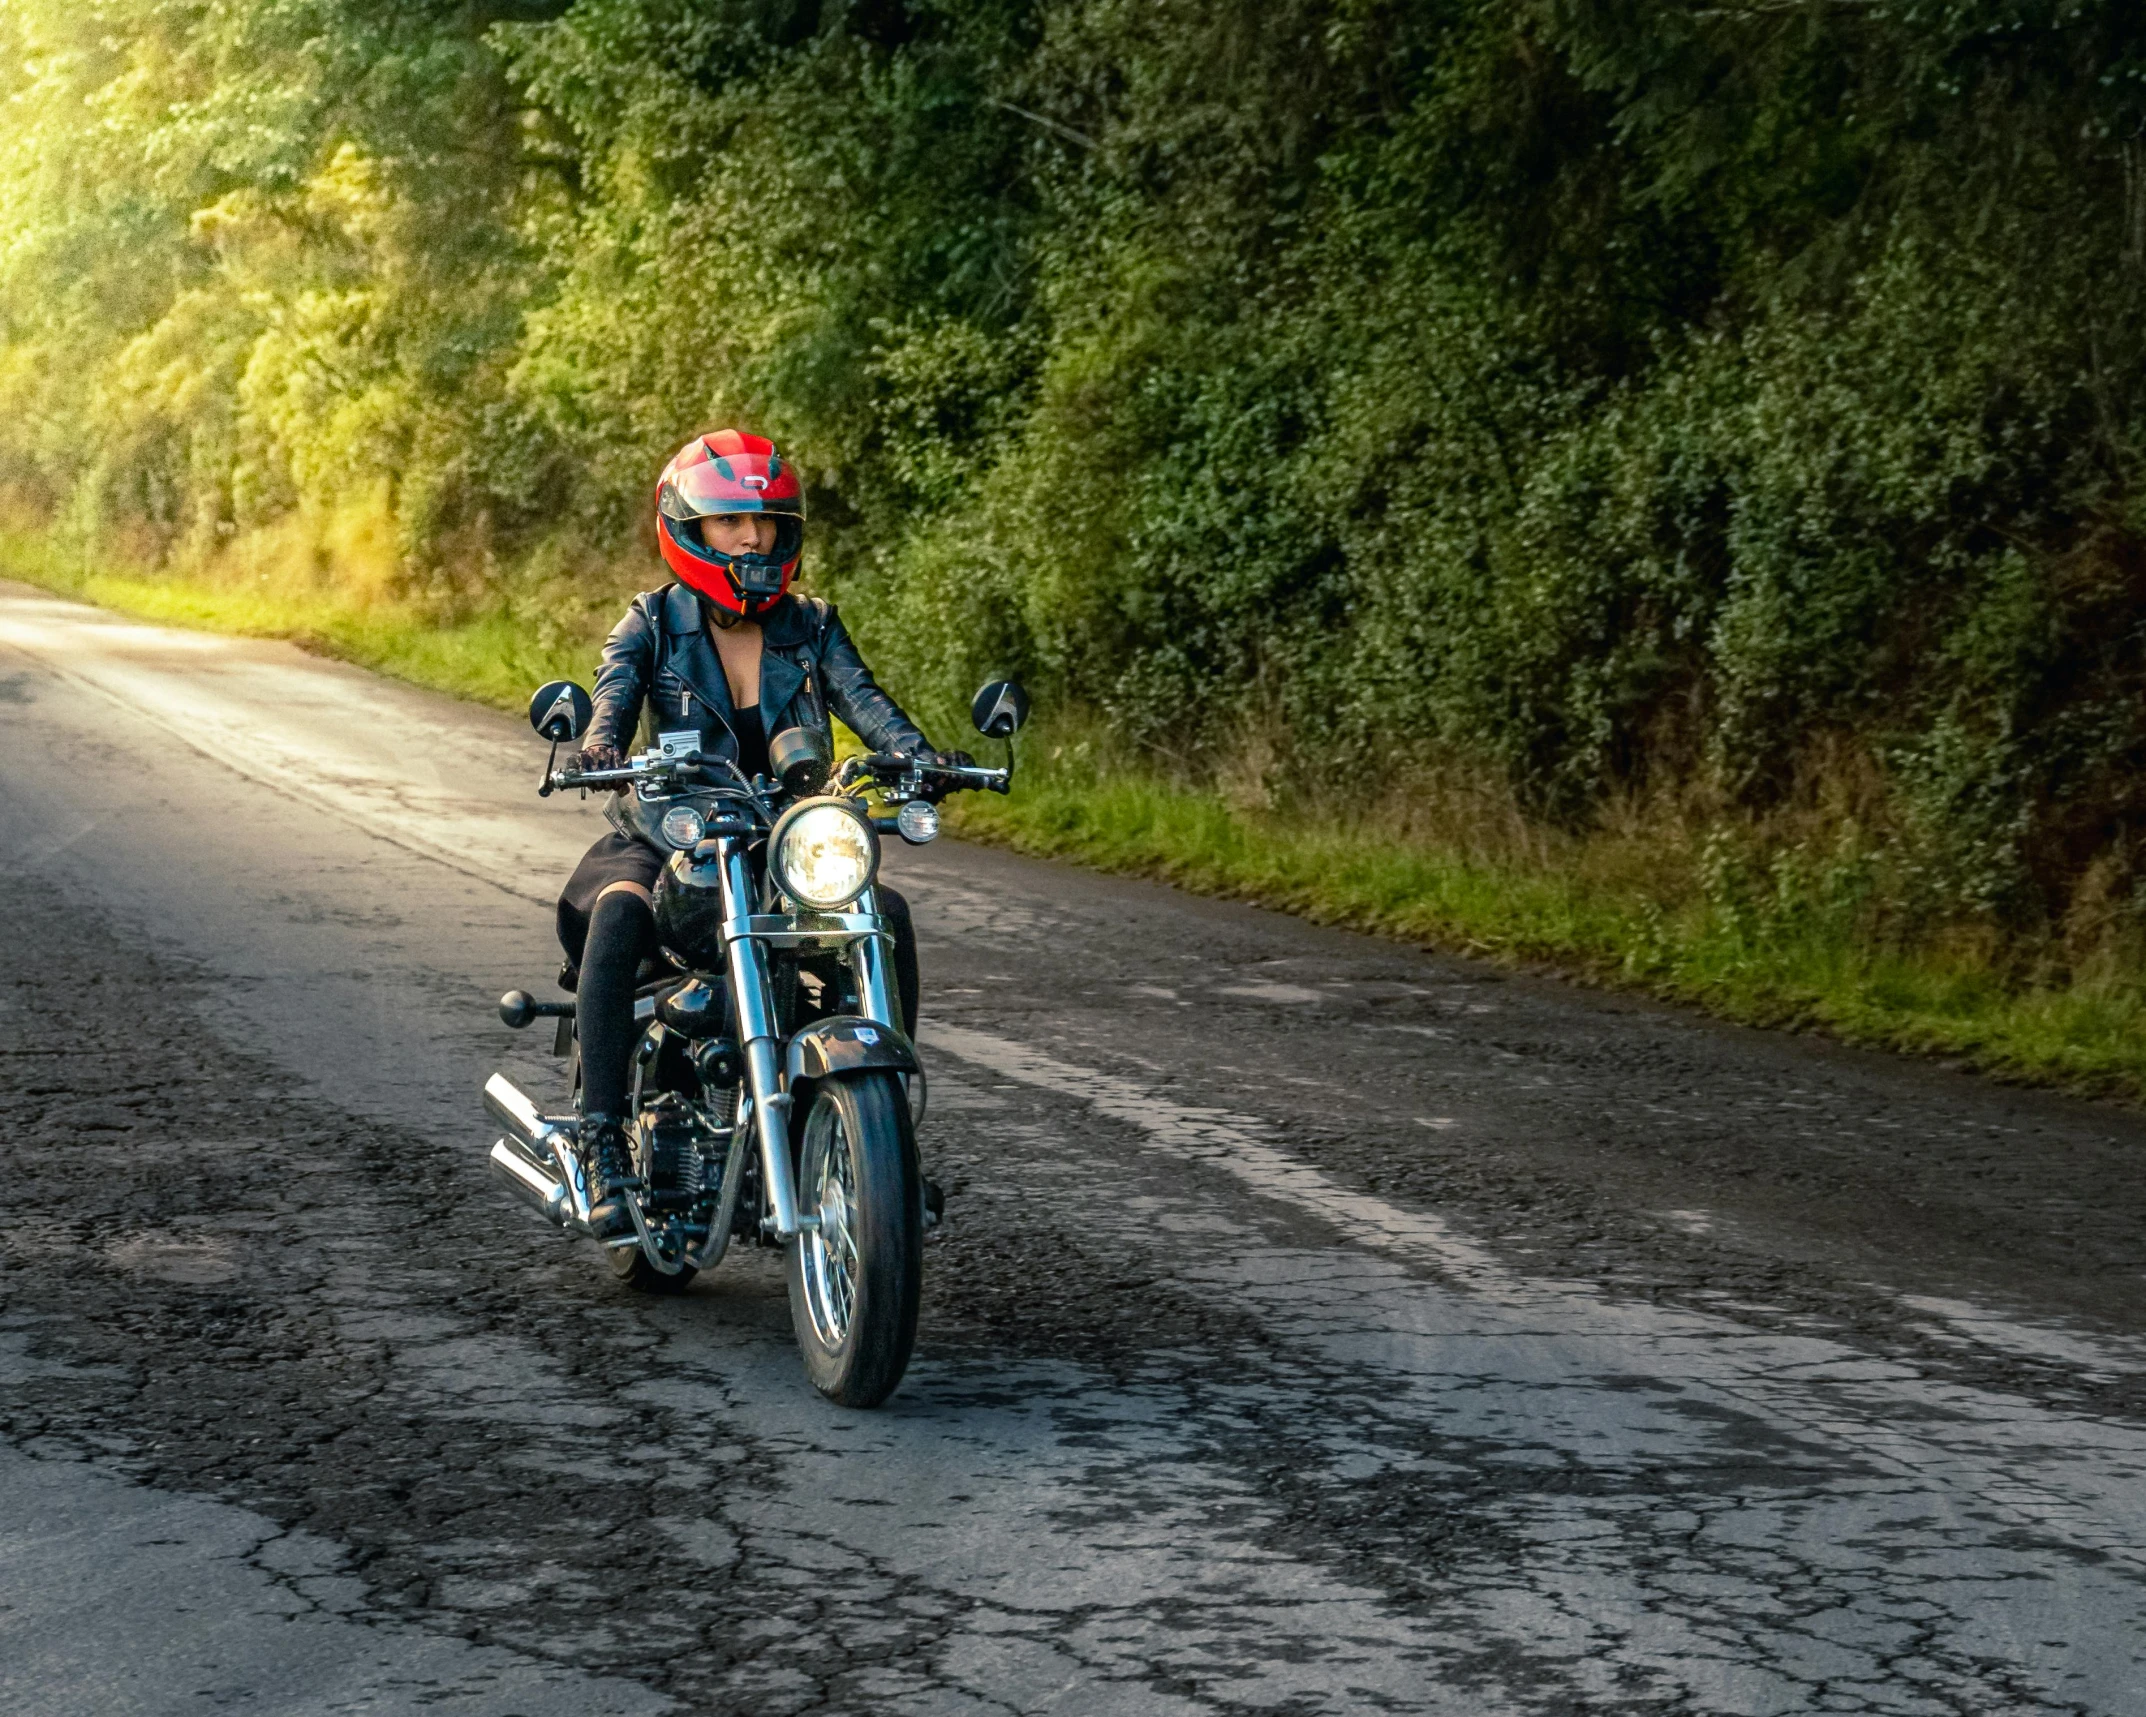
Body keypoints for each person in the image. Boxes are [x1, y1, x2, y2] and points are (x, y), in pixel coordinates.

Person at [555, 429, 964, 1237]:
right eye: (730, 522)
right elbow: (613, 695)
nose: (751, 539)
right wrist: (600, 746)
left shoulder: (812, 625)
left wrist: (921, 756)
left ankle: (889, 1142)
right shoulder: (651, 621)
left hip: (785, 835)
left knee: (887, 913)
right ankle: (603, 1137)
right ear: (690, 529)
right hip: (674, 827)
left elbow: (865, 700)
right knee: (620, 908)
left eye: (766, 523)